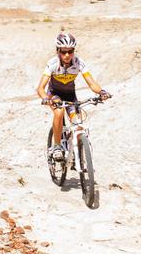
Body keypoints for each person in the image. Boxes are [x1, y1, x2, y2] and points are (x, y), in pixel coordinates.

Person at [36, 32, 110, 161]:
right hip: (54, 95)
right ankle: (57, 146)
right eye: (63, 52)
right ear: (58, 51)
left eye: (70, 51)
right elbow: (40, 88)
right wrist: (47, 98)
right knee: (59, 113)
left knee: (78, 123)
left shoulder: (79, 63)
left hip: (71, 96)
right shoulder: (52, 63)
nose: (67, 55)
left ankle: (78, 154)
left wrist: (102, 92)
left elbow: (92, 83)